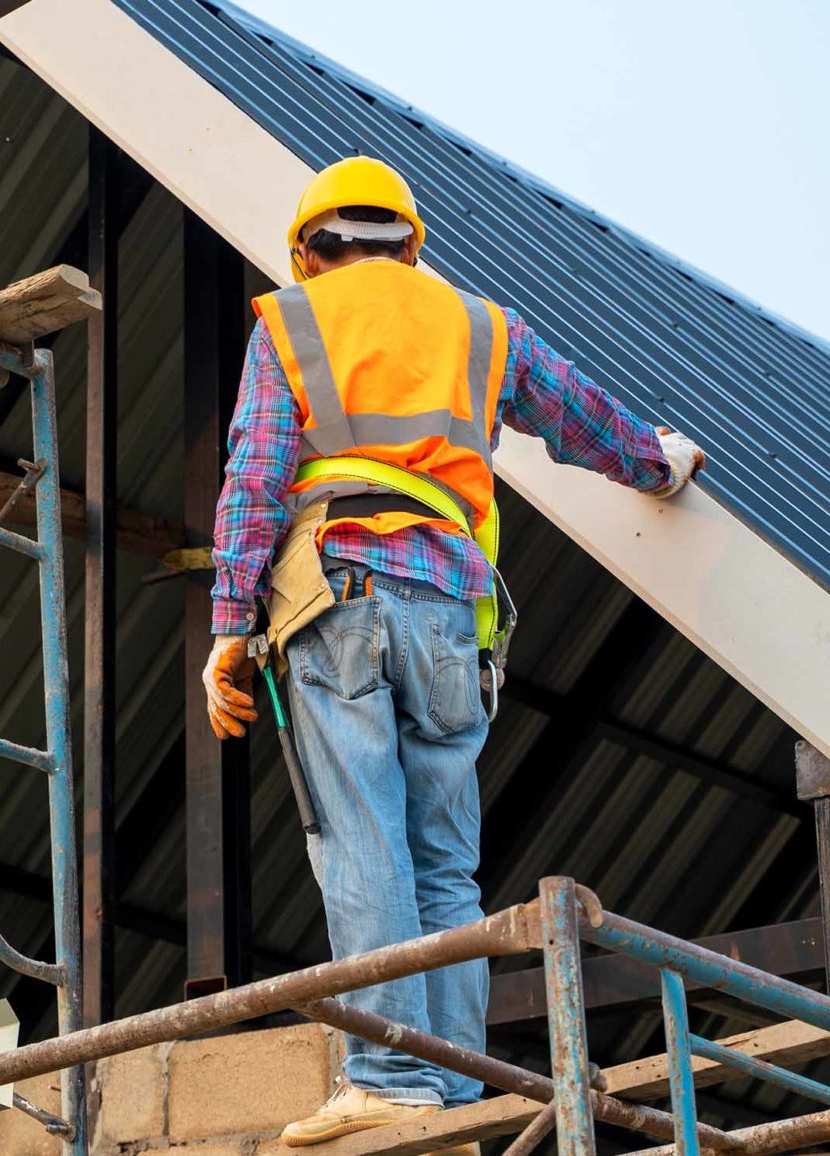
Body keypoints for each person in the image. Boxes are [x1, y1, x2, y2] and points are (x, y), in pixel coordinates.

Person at [200, 156, 706, 1149]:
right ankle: (456, 1086)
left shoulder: (290, 323)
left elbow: (255, 478)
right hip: (450, 610)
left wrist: (226, 626)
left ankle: (391, 1076)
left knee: (362, 839)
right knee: (444, 862)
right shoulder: (480, 327)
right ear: (413, 246)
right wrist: (659, 460)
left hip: (336, 593)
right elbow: (576, 411)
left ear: (308, 251)